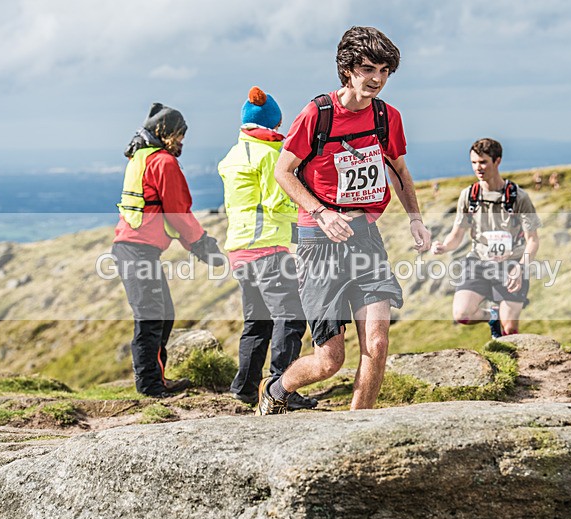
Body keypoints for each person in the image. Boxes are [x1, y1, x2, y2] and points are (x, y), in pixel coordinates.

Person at [256, 25, 431, 415]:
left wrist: (415, 218)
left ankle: (358, 427)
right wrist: (321, 213)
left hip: (366, 238)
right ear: (348, 69)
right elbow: (284, 172)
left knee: (378, 342)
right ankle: (276, 390)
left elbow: (398, 170)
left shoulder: (387, 117)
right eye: (369, 69)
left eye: (385, 71)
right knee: (328, 361)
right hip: (319, 243)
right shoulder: (317, 114)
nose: (377, 80)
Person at [113, 103, 225, 398]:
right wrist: (204, 246)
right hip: (137, 251)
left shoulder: (142, 156)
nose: (182, 141)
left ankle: (156, 379)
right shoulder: (163, 162)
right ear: (165, 133)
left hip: (135, 250)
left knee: (162, 314)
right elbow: (177, 212)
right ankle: (150, 386)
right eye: (179, 134)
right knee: (151, 318)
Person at [217, 86, 315, 411]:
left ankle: (245, 386)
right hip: (269, 249)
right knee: (291, 317)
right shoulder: (269, 155)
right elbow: (277, 204)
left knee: (256, 321)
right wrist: (308, 212)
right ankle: (280, 388)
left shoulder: (233, 156)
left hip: (239, 251)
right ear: (274, 123)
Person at [432, 138, 541, 338]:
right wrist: (444, 246)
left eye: (483, 162)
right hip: (479, 262)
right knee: (462, 315)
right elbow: (457, 235)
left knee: (509, 331)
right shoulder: (469, 196)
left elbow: (533, 240)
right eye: (474, 163)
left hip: (512, 265)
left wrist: (521, 267)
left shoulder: (519, 198)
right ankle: (493, 315)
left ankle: (508, 359)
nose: (478, 168)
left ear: (497, 161)